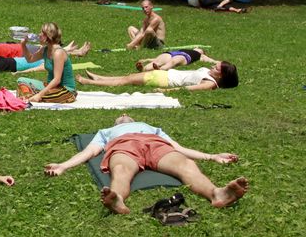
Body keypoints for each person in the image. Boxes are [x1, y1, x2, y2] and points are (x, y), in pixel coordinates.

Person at [44, 114, 248, 215]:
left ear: (133, 119)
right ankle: (118, 200)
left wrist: (212, 156)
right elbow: (89, 152)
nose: (124, 115)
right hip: (124, 146)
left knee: (185, 165)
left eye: (127, 115)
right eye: (120, 116)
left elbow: (177, 146)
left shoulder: (152, 128)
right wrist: (63, 165)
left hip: (154, 144)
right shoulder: (106, 132)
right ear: (117, 123)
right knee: (121, 169)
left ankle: (217, 194)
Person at [76, 59, 238, 92]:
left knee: (125, 81)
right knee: (128, 77)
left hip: (164, 80)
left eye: (217, 67)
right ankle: (99, 78)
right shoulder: (211, 74)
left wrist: (166, 91)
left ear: (221, 75)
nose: (213, 65)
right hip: (164, 74)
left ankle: (88, 82)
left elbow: (190, 88)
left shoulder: (210, 82)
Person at [18, 22, 77, 103]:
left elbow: (57, 80)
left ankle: (32, 96)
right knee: (21, 80)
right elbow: (30, 59)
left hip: (65, 90)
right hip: (51, 87)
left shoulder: (58, 53)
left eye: (42, 33)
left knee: (43, 95)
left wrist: (40, 94)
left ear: (48, 36)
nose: (39, 35)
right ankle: (31, 97)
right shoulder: (45, 50)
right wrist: (23, 45)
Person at [0, 40, 91, 59]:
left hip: (21, 47)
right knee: (48, 51)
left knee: (47, 49)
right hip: (22, 52)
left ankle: (68, 49)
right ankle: (76, 52)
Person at [135, 48, 215, 72]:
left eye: (199, 48)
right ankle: (144, 69)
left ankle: (161, 69)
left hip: (184, 56)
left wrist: (216, 63)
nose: (197, 48)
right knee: (157, 61)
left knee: (173, 61)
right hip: (172, 53)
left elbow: (212, 61)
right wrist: (147, 59)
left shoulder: (201, 55)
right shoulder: (188, 49)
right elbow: (155, 59)